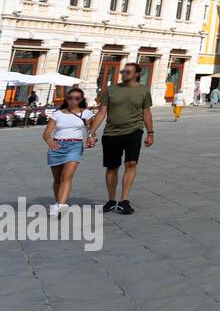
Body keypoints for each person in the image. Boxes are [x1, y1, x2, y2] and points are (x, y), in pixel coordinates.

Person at [86, 62, 153, 215]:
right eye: (123, 72)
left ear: (136, 74)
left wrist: (150, 133)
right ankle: (111, 200)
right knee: (112, 167)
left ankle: (124, 200)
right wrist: (91, 133)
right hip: (111, 133)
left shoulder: (143, 91)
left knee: (131, 163)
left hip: (134, 131)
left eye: (128, 72)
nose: (124, 74)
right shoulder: (110, 90)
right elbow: (102, 112)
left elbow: (146, 113)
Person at [44, 86, 95, 217]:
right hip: (57, 146)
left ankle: (61, 205)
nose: (73, 101)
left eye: (77, 98)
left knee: (66, 177)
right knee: (57, 179)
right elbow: (46, 133)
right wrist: (49, 141)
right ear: (66, 99)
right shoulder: (57, 114)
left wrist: (92, 138)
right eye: (70, 98)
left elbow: (91, 131)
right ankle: (58, 203)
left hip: (74, 145)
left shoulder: (86, 114)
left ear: (81, 99)